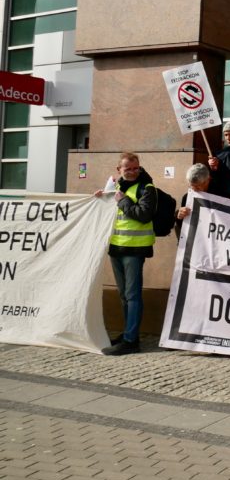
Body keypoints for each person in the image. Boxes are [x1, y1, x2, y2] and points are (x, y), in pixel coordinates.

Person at [94, 153, 157, 356]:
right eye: (127, 168)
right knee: (124, 296)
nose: (132, 171)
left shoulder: (147, 188)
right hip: (117, 247)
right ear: (118, 169)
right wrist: (102, 198)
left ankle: (131, 341)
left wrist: (122, 202)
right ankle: (127, 334)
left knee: (132, 295)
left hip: (134, 249)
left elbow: (143, 215)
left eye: (135, 168)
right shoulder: (116, 187)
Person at [175, 163, 211, 239]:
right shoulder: (187, 197)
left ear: (207, 180)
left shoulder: (220, 196)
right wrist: (179, 216)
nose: (194, 189)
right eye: (191, 186)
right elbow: (184, 225)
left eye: (197, 186)